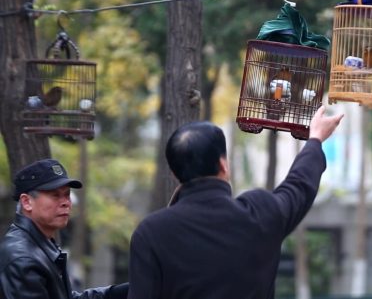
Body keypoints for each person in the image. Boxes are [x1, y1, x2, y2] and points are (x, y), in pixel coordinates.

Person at [127, 105, 344, 299]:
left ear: (175, 174)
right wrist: (315, 139)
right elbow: (298, 187)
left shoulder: (151, 233)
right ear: (223, 165)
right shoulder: (259, 214)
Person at [0, 158, 129, 299]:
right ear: (27, 202)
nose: (66, 203)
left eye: (67, 195)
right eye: (55, 195)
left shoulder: (39, 243)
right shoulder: (23, 258)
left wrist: (126, 291)